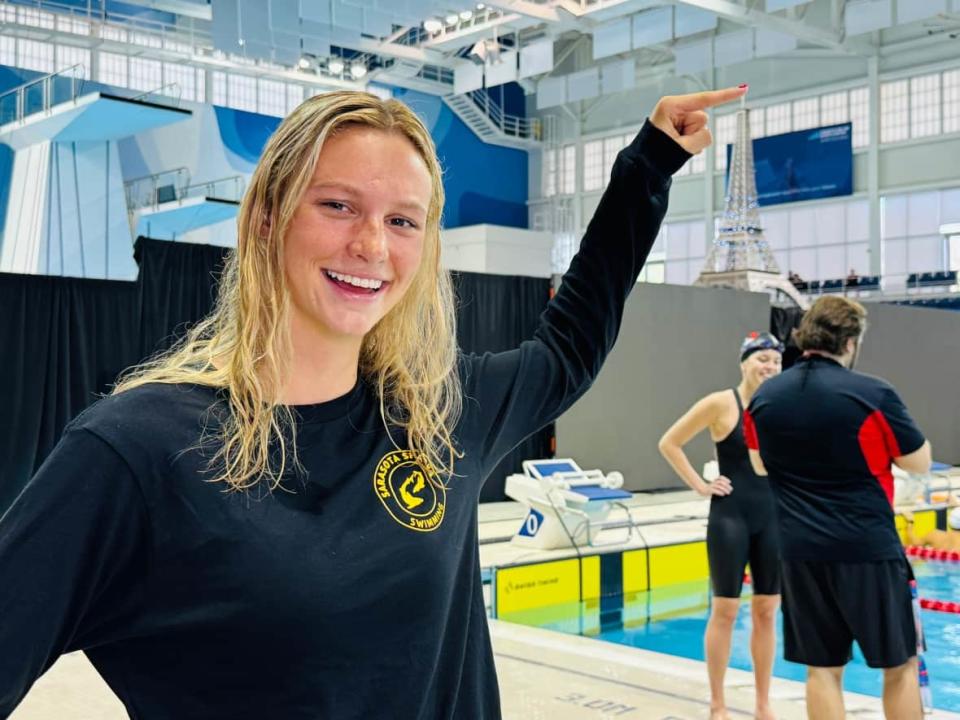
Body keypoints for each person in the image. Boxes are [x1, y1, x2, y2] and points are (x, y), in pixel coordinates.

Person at [0, 86, 749, 718]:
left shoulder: (435, 415)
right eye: (338, 205)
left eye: (402, 221)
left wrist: (649, 165)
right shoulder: (140, 451)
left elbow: (571, 343)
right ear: (267, 216)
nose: (373, 246)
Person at [743, 296, 931, 720]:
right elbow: (918, 462)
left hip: (800, 550)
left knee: (822, 669)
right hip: (867, 548)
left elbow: (759, 464)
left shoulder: (765, 398)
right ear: (849, 341)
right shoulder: (872, 393)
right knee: (898, 666)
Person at [659, 331, 783, 720]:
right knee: (726, 610)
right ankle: (718, 703)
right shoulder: (720, 403)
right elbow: (670, 442)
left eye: (776, 361)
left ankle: (763, 704)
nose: (770, 366)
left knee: (766, 610)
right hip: (730, 516)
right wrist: (699, 484)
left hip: (772, 517)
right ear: (744, 362)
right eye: (762, 358)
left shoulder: (780, 406)